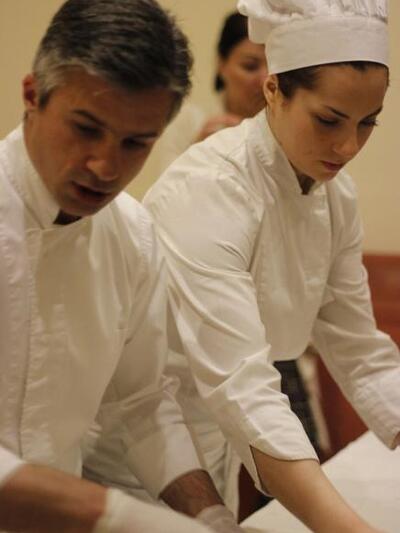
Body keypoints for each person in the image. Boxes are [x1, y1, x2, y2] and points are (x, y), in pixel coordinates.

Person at [143, 0, 400, 531]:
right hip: (140, 443)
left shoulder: (335, 198)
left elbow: (360, 352)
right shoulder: (209, 187)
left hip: (216, 441)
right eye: (328, 120)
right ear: (274, 90)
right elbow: (242, 385)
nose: (348, 146)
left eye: (368, 123)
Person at [0, 0, 243, 531]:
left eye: (136, 143)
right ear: (32, 95)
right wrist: (117, 516)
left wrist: (211, 516)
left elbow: (140, 405)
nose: (105, 167)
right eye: (86, 129)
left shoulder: (132, 235)